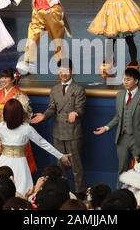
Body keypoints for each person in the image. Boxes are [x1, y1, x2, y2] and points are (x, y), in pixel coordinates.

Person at [0, 99, 71, 197]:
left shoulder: (24, 129)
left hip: (12, 163)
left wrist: (60, 156)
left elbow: (43, 143)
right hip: (12, 163)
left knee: (12, 189)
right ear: (20, 114)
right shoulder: (3, 127)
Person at [94, 68, 140, 180]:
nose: (125, 82)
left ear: (136, 81)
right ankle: (121, 192)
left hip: (138, 138)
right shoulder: (119, 95)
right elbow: (118, 117)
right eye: (124, 79)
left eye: (128, 79)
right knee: (122, 167)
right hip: (122, 138)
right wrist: (106, 127)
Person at [30, 59, 86, 195]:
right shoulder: (54, 89)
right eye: (60, 71)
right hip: (58, 132)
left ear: (72, 71)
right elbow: (52, 108)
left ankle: (80, 194)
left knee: (76, 167)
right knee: (59, 166)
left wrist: (76, 113)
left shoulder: (78, 89)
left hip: (73, 133)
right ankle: (61, 193)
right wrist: (44, 116)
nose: (63, 74)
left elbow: (81, 108)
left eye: (66, 71)